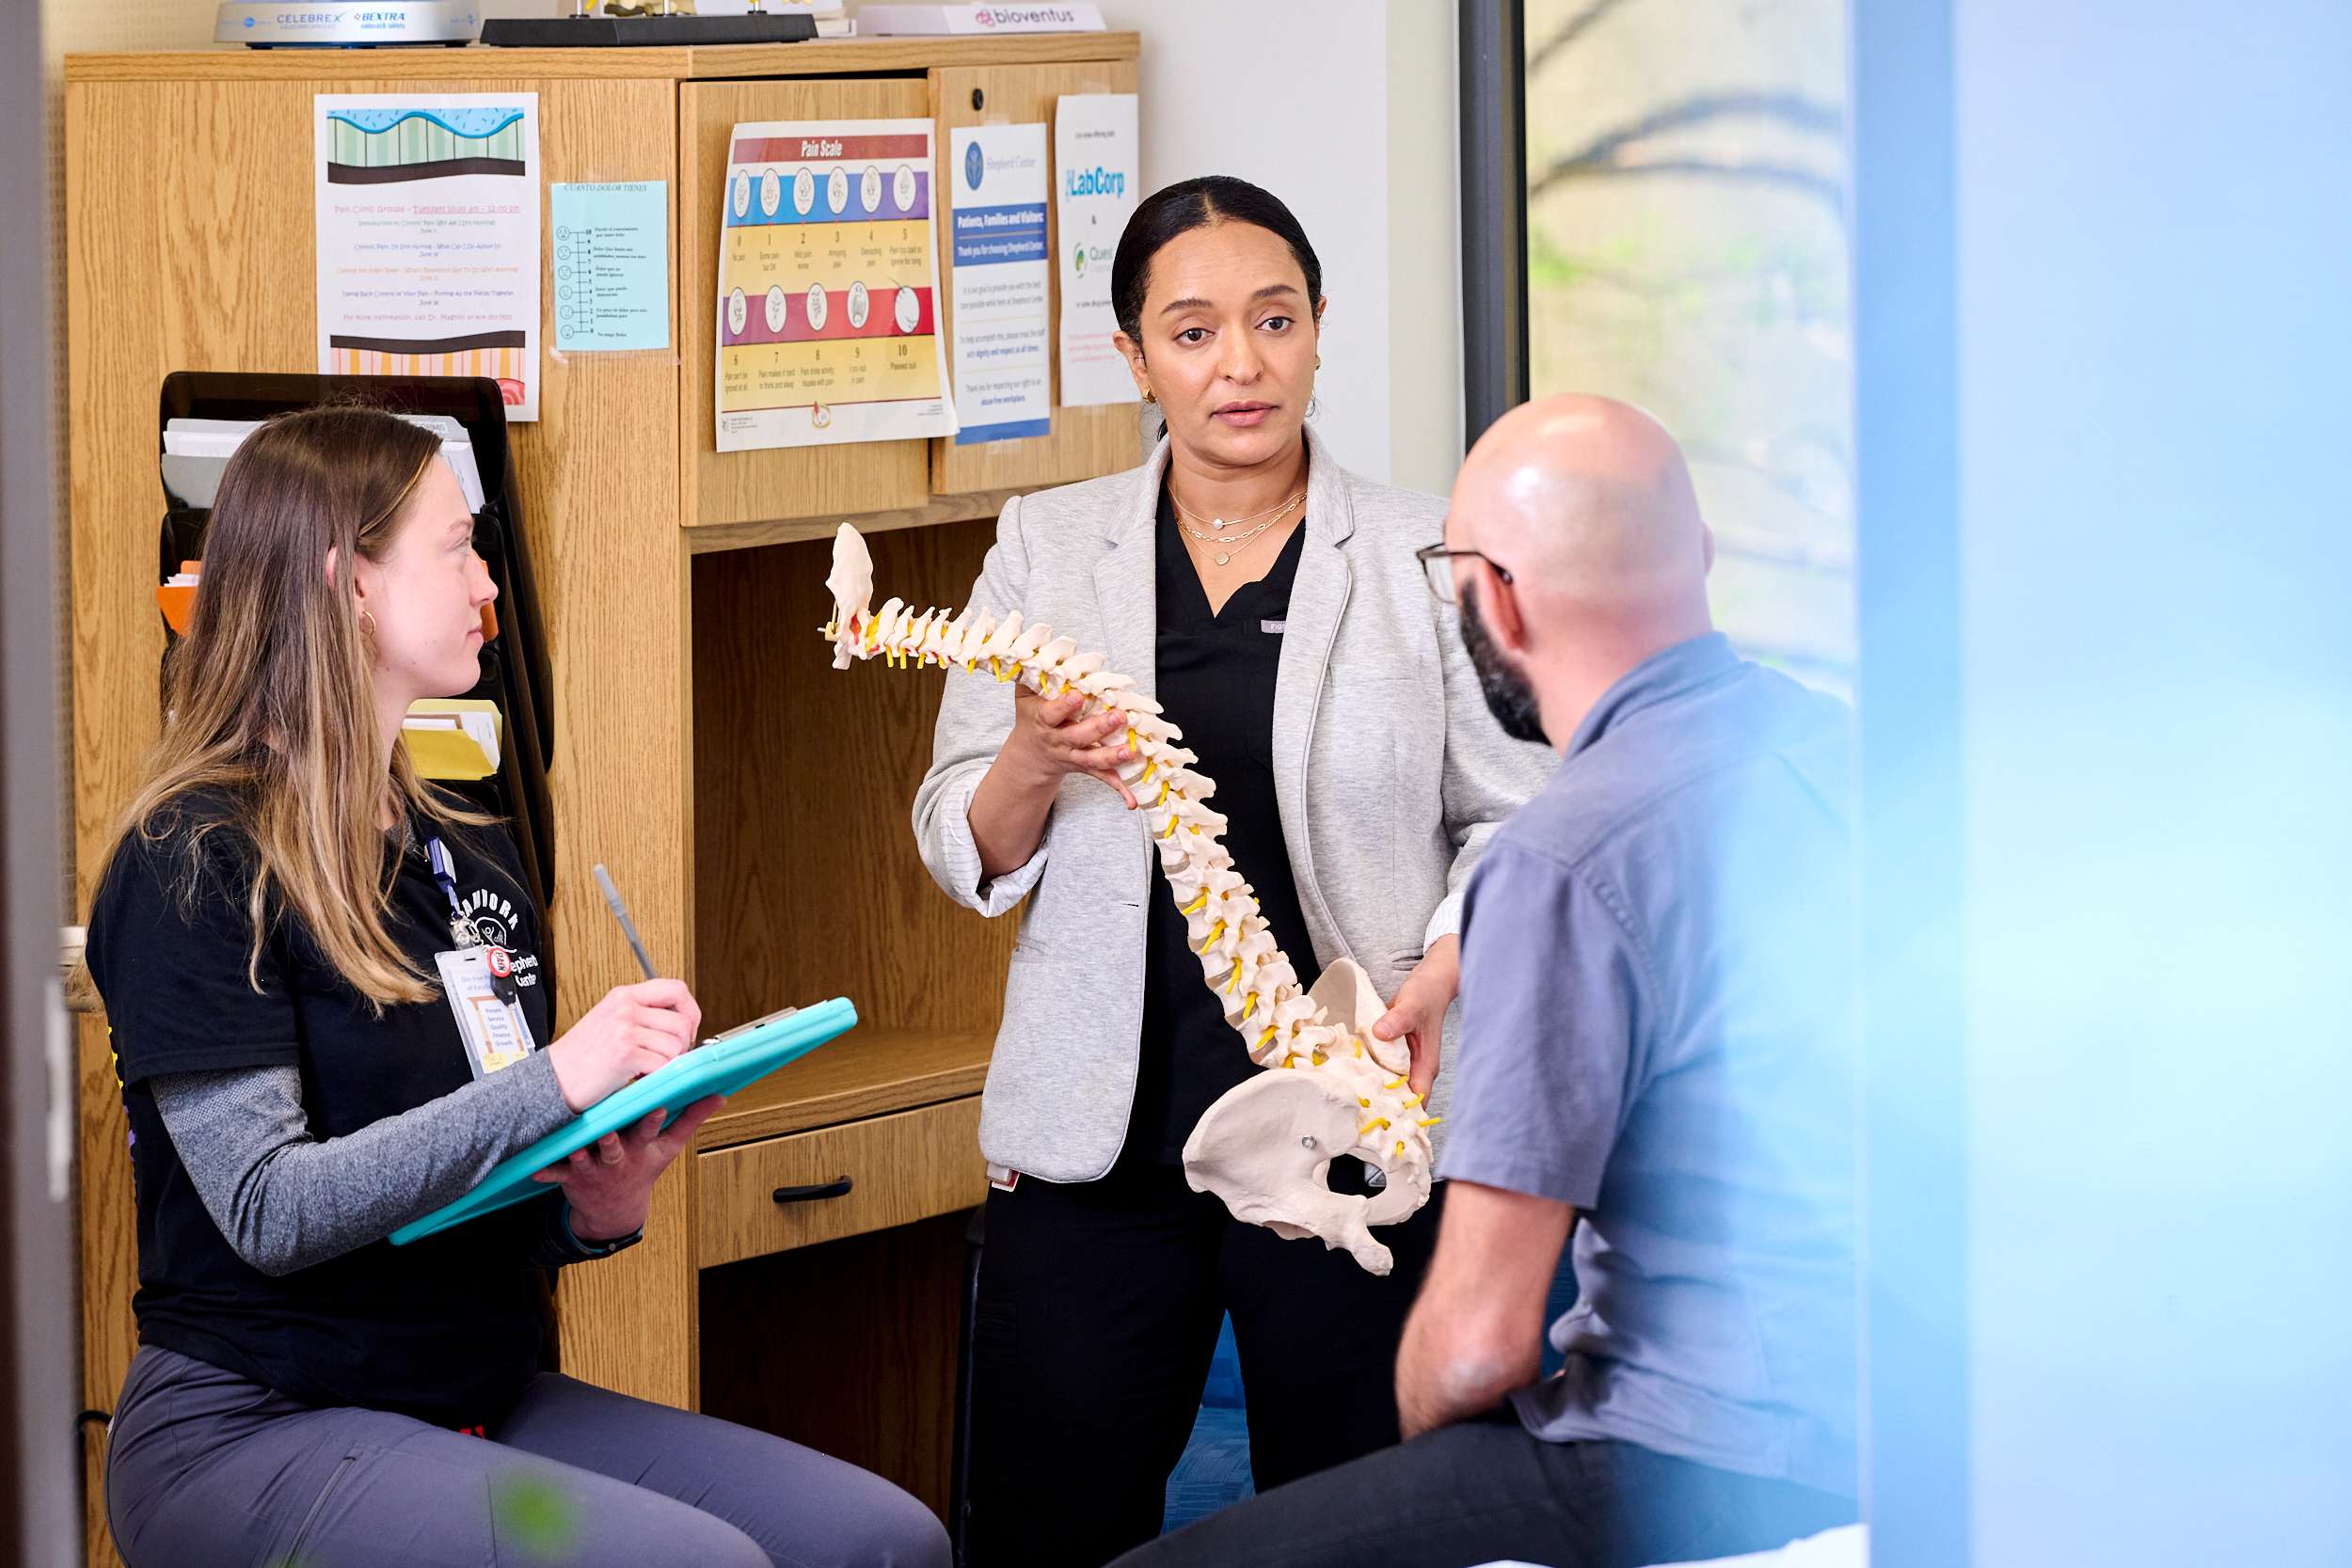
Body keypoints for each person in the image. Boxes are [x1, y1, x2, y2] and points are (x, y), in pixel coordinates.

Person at [82, 407, 948, 1568]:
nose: (488, 579)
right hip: (257, 1421)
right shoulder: (193, 857)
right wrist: (560, 1074)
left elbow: (476, 1165)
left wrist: (596, 1201)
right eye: (457, 547)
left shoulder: (465, 846)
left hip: (473, 1391)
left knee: (881, 1540)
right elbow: (270, 1209)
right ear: (348, 582)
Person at [913, 177, 1551, 1567]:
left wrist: (1447, 968)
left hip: (1343, 1119)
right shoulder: (1047, 544)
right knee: (1045, 1530)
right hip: (1097, 1144)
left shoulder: (1424, 550)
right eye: (1192, 332)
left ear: (1320, 327)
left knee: (1365, 1533)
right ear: (1134, 358)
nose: (1240, 364)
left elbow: (1525, 822)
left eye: (1273, 320)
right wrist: (1030, 755)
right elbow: (958, 836)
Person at [1111, 395, 1860, 1568]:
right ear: (1699, 557)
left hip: (1701, 1459)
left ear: (1496, 598)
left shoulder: (1563, 860)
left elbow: (1473, 1345)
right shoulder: (1836, 750)